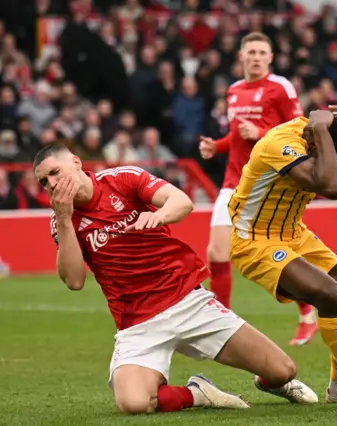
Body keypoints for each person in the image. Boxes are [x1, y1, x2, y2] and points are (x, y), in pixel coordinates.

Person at [33, 143, 317, 414]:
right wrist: (63, 218)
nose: (52, 185)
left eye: (55, 173)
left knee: (283, 371)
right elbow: (74, 280)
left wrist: (160, 216)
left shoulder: (122, 178)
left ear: (76, 162)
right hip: (137, 323)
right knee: (133, 403)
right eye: (44, 182)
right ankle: (198, 393)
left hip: (187, 301)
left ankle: (269, 382)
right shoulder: (61, 221)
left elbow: (181, 201)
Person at [227, 105, 337, 410]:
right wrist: (319, 130)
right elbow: (330, 186)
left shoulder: (331, 139)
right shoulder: (281, 143)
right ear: (314, 141)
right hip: (254, 240)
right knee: (329, 294)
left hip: (294, 233)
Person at [199, 31, 317, 346]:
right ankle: (220, 322)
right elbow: (239, 137)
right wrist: (218, 146)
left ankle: (307, 313)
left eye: (261, 52)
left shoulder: (280, 87)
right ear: (241, 56)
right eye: (250, 51)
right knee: (217, 251)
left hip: (266, 182)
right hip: (233, 180)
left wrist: (261, 131)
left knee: (270, 258)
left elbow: (300, 130)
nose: (255, 56)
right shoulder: (234, 90)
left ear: (270, 58)